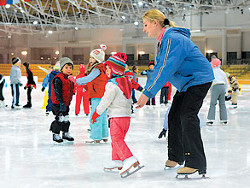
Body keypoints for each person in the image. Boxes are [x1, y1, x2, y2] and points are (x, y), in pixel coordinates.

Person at [137, 9, 214, 176]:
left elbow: (165, 68)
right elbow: (159, 68)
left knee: (187, 116)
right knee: (174, 116)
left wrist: (147, 93)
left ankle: (196, 163)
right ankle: (176, 156)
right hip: (187, 83)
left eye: (145, 25)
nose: (144, 29)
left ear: (155, 23)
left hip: (198, 79)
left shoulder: (172, 39)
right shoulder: (164, 40)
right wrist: (147, 90)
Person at [91, 52, 142, 177]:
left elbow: (105, 101)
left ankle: (129, 158)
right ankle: (117, 160)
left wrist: (96, 113)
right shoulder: (126, 81)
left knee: (117, 139)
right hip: (126, 117)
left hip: (116, 117)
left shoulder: (112, 84)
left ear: (114, 69)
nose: (106, 71)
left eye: (108, 68)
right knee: (117, 140)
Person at [76, 44, 109, 143]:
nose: (90, 59)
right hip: (102, 95)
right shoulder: (102, 68)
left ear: (97, 59)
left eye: (92, 58)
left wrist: (76, 80)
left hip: (97, 95)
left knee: (95, 116)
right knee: (102, 116)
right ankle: (104, 135)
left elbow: (89, 79)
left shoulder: (97, 68)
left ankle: (96, 137)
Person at [50, 57, 75, 143]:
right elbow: (57, 91)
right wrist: (61, 103)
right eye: (66, 68)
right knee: (60, 118)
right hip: (58, 103)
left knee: (66, 118)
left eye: (70, 68)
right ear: (61, 68)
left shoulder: (69, 79)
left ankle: (65, 133)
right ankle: (55, 134)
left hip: (66, 102)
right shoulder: (58, 78)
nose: (69, 70)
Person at [206, 58, 228, 126]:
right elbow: (226, 82)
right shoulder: (222, 72)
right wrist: (226, 91)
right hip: (223, 86)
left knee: (213, 103)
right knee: (222, 104)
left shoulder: (212, 71)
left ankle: (210, 119)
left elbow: (210, 81)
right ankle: (224, 120)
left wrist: (209, 90)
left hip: (215, 86)